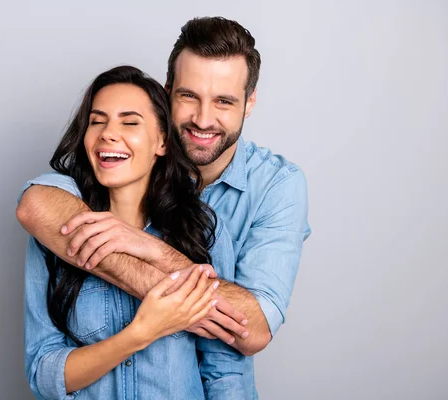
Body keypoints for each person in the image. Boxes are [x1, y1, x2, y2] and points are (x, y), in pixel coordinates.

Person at [17, 16, 311, 399]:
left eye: (223, 100)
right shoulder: (73, 205)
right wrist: (146, 327)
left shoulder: (224, 218)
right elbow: (35, 204)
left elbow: (244, 340)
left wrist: (148, 248)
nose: (203, 119)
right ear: (168, 94)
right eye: (189, 96)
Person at [21, 65, 247, 399]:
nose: (108, 134)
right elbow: (44, 372)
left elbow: (226, 373)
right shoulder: (60, 233)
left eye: (129, 122)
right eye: (97, 121)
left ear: (162, 142)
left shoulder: (202, 230)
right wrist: (140, 333)